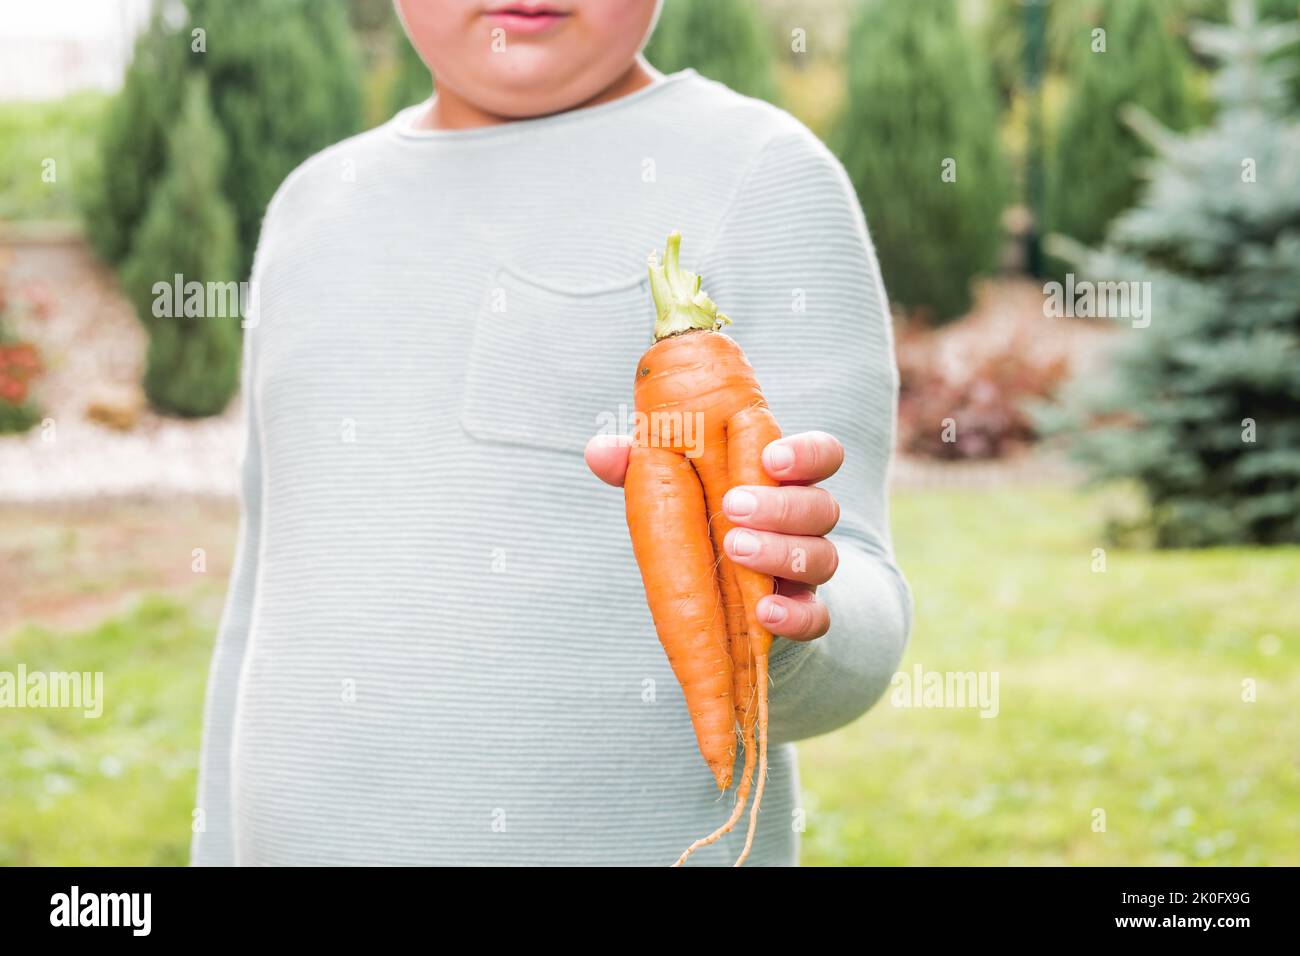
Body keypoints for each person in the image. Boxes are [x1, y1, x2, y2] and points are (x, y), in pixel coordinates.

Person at [192, 0, 912, 866]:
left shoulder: (761, 174)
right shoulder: (311, 207)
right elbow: (260, 597)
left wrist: (784, 620)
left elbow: (862, 600)